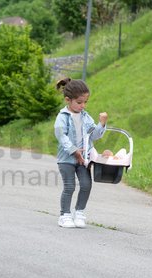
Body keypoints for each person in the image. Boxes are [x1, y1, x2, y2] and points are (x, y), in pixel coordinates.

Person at [54, 78, 107, 228]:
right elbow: (61, 136)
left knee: (85, 185)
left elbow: (94, 135)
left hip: (83, 159)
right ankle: (65, 215)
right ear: (68, 100)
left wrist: (101, 124)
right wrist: (73, 150)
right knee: (69, 186)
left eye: (85, 102)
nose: (83, 106)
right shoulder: (62, 117)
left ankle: (79, 213)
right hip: (66, 159)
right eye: (79, 102)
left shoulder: (85, 116)